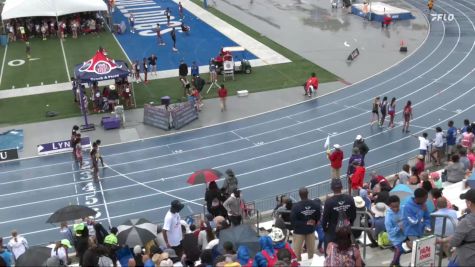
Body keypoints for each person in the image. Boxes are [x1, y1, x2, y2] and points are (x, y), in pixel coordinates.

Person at [440, 189, 475, 266]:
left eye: (466, 201)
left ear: (469, 203)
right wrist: (445, 239)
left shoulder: (466, 222)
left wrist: (445, 242)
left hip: (468, 258)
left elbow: (454, 242)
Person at [321, 179, 357, 255]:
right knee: (348, 249)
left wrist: (325, 229)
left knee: (329, 251)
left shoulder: (329, 202)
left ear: (332, 188)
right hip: (346, 228)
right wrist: (350, 223)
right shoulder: (350, 198)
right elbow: (353, 214)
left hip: (333, 230)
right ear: (342, 187)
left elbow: (325, 219)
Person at [290, 187, 321, 261]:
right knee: (311, 253)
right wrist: (314, 222)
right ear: (308, 193)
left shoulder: (295, 207)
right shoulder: (315, 204)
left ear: (299, 195)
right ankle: (311, 264)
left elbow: (293, 221)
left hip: (299, 232)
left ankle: (298, 264)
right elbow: (318, 216)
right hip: (310, 231)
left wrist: (304, 223)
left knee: (297, 253)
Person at [385, 195, 409, 267]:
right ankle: (393, 263)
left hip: (404, 234)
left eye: (397, 206)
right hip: (394, 237)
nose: (396, 209)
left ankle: (396, 263)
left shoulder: (403, 208)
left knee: (399, 251)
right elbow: (390, 232)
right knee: (399, 250)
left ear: (399, 204)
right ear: (389, 206)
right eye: (393, 207)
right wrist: (399, 227)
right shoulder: (388, 218)